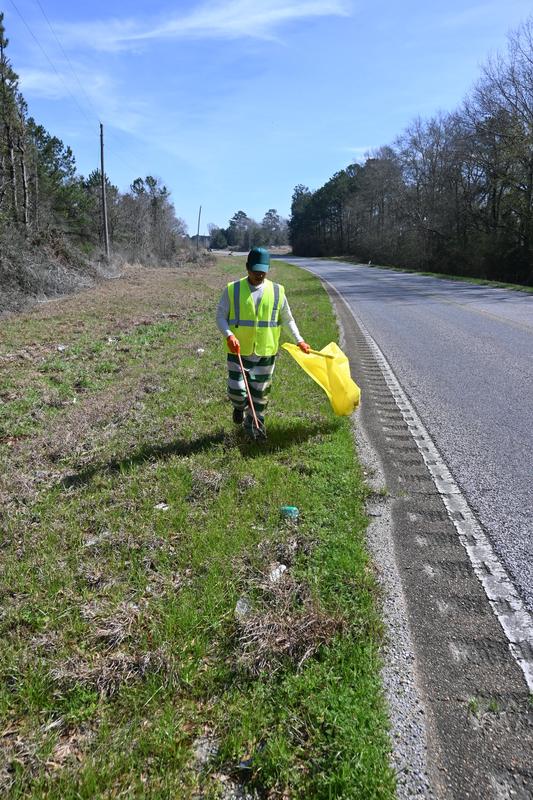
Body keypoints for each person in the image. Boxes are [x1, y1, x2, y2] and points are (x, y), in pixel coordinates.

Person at [216, 246, 310, 438]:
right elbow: (220, 317)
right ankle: (239, 407)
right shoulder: (232, 289)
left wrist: (299, 340)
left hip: (266, 353)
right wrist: (229, 335)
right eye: (255, 270)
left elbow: (288, 319)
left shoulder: (277, 291)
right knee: (237, 391)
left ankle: (255, 430)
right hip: (238, 352)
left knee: (259, 396)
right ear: (247, 267)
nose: (259, 275)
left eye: (262, 271)